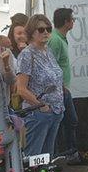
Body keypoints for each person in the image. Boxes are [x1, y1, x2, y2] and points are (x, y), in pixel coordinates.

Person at [17, 14, 65, 157]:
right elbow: (21, 89)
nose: (46, 32)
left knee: (47, 157)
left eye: (48, 29)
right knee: (34, 156)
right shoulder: (27, 55)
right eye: (41, 29)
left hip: (56, 112)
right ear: (31, 32)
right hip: (38, 114)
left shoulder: (48, 51)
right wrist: (41, 106)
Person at [49, 7, 88, 165]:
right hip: (59, 90)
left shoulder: (61, 38)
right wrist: (60, 87)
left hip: (63, 88)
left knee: (68, 122)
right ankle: (64, 155)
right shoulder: (55, 40)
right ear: (66, 22)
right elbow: (51, 65)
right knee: (67, 121)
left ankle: (68, 153)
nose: (74, 22)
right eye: (72, 19)